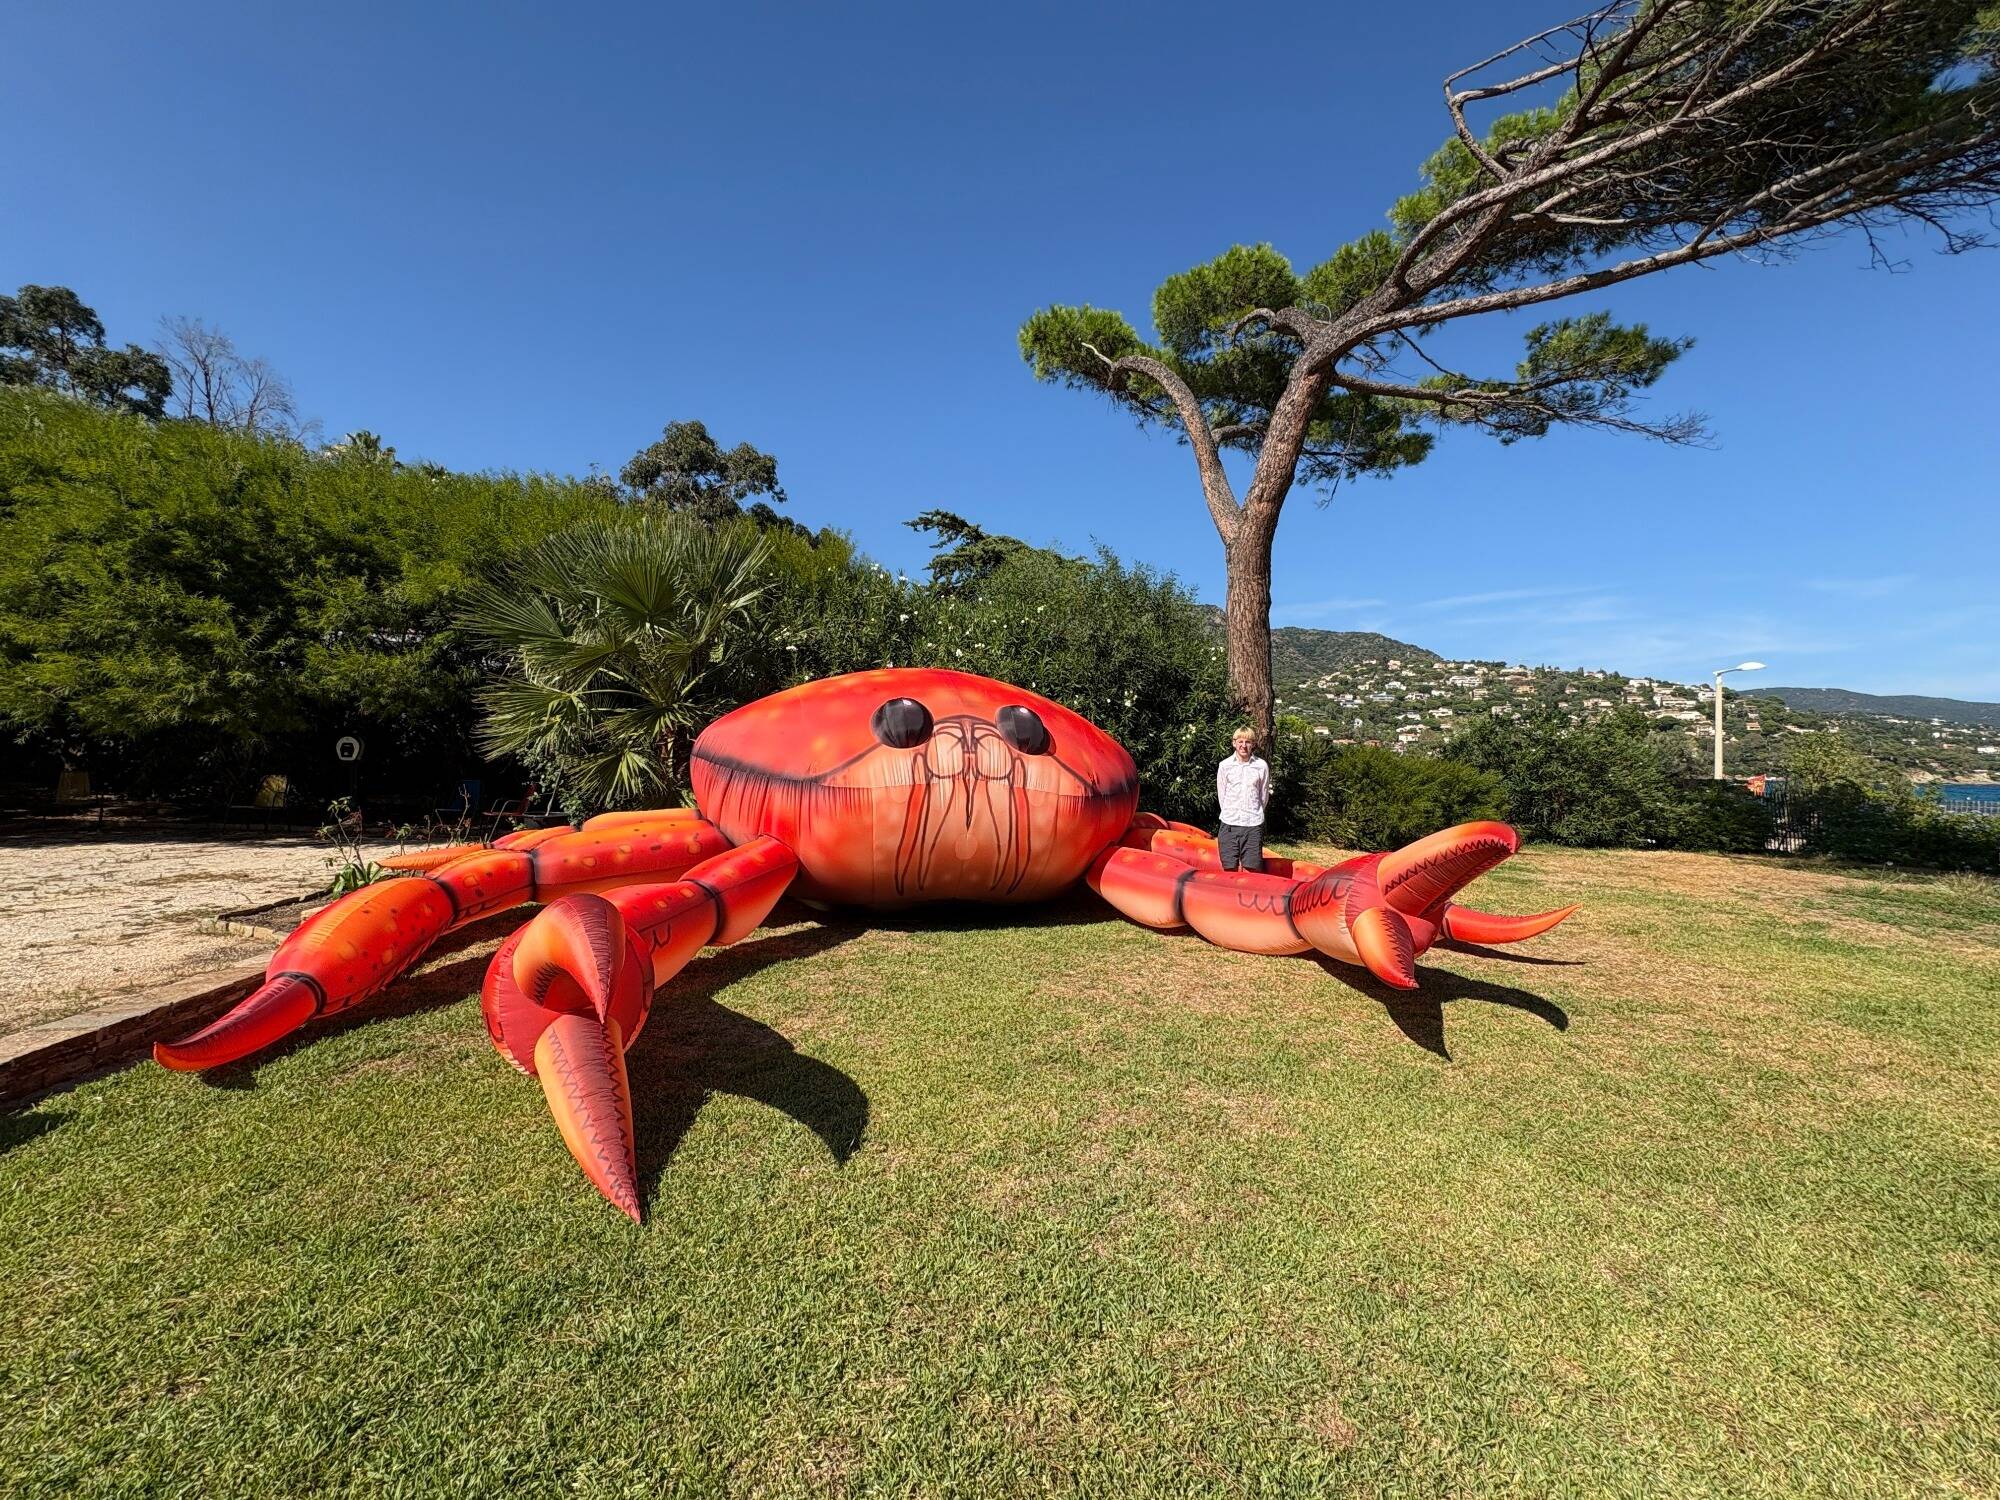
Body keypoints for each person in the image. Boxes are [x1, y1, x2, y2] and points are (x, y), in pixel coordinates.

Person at [1215, 727, 1270, 872]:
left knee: (1252, 870)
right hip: (1229, 824)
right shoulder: (1224, 766)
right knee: (1229, 868)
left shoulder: (1261, 766)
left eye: (1248, 742)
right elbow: (1222, 794)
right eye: (1240, 741)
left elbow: (1263, 796)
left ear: (1253, 744)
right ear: (1234, 743)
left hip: (1252, 824)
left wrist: (1254, 812)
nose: (1243, 746)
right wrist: (1230, 811)